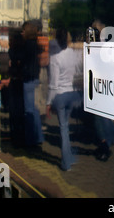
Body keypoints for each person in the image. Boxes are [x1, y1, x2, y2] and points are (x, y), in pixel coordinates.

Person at [46, 28, 82, 171]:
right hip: (72, 94)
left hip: (60, 95)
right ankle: (70, 157)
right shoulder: (74, 54)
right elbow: (78, 71)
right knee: (66, 127)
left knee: (63, 128)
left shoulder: (55, 58)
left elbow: (53, 84)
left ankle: (66, 162)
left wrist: (48, 103)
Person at [21, 21, 44, 147]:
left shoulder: (27, 46)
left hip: (28, 80)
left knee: (29, 110)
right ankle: (38, 136)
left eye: (23, 30)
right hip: (34, 78)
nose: (22, 33)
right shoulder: (35, 45)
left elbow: (26, 65)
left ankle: (31, 139)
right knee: (34, 110)